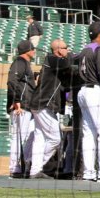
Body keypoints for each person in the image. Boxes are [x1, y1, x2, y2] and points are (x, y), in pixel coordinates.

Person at [76, 20, 100, 182]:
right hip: (95, 91)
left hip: (83, 91)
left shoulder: (84, 49)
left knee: (89, 134)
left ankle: (89, 172)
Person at [28, 39, 73, 178]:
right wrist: (72, 55)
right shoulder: (54, 59)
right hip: (43, 105)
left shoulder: (53, 60)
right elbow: (68, 63)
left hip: (39, 104)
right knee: (55, 139)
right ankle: (34, 164)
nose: (68, 50)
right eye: (66, 47)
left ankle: (34, 170)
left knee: (40, 138)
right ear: (59, 50)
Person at [7, 40, 36, 178]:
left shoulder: (25, 64)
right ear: (27, 50)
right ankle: (14, 167)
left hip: (28, 106)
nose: (34, 51)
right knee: (18, 137)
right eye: (33, 49)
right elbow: (12, 81)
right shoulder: (20, 62)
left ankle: (25, 163)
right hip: (21, 106)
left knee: (32, 134)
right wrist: (16, 100)